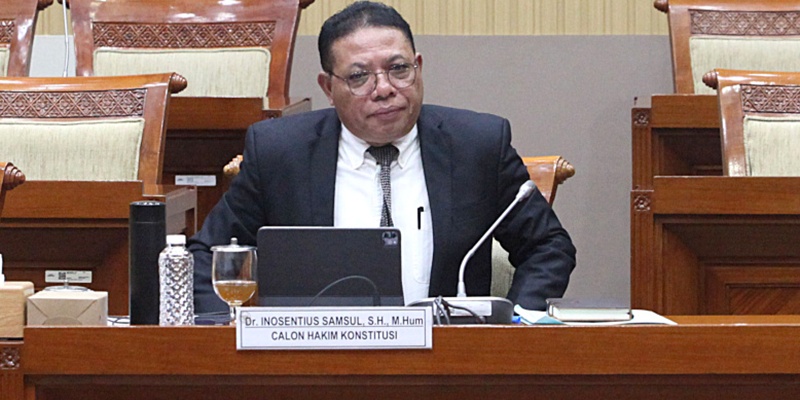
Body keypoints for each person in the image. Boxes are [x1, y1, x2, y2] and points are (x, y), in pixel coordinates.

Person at [189, 0, 576, 313]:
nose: (384, 89)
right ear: (328, 88)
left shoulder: (476, 145)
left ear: (418, 68)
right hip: (315, 363)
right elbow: (208, 255)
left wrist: (512, 327)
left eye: (398, 69)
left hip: (445, 362)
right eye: (359, 76)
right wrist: (232, 338)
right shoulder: (280, 153)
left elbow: (548, 247)